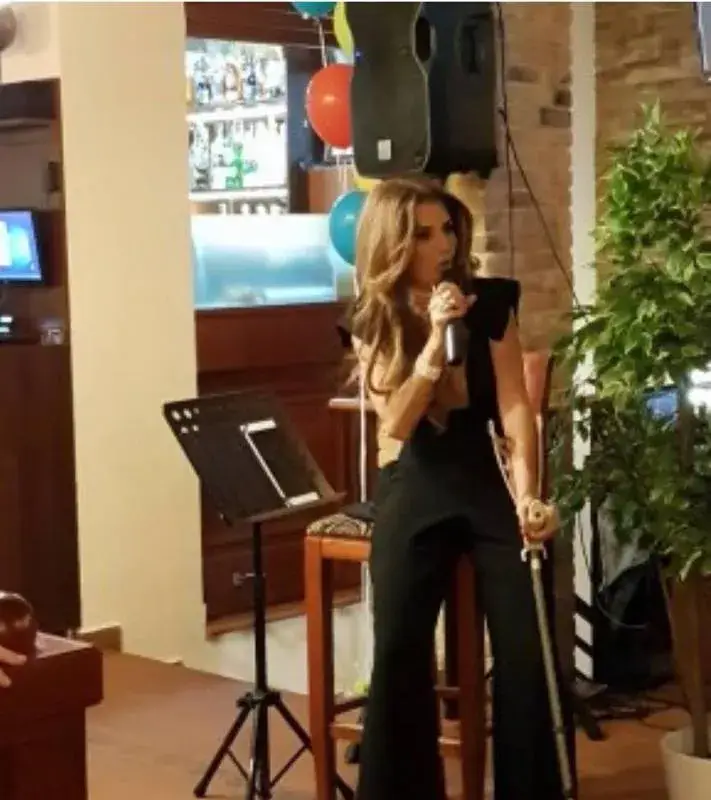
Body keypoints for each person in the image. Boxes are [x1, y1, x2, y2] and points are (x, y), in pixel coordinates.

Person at [338, 176, 577, 800]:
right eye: (423, 235)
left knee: (527, 646)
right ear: (394, 244)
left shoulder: (489, 301)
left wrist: (529, 494)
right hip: (415, 478)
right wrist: (430, 352)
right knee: (398, 649)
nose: (442, 245)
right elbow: (395, 422)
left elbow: (516, 406)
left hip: (484, 474)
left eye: (447, 229)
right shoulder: (374, 315)